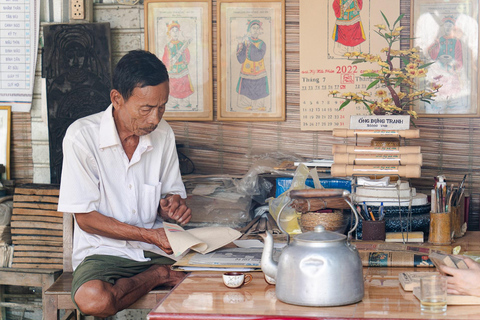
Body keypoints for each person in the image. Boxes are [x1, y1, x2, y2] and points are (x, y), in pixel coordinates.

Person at [57, 49, 192, 318]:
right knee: (93, 300)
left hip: (155, 250)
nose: (155, 119)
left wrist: (172, 206)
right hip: (103, 251)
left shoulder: (163, 134)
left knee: (216, 283)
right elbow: (85, 219)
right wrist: (149, 235)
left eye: (162, 107)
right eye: (146, 109)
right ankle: (158, 276)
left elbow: (171, 193)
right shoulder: (81, 138)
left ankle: (159, 271)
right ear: (117, 99)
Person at [236, 19, 269, 111]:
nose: (255, 30)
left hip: (259, 71)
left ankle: (259, 105)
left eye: (257, 28)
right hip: (246, 71)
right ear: (249, 30)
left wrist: (249, 44)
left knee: (259, 87)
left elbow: (258, 55)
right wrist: (240, 45)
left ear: (259, 31)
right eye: (253, 28)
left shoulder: (262, 43)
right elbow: (240, 59)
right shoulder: (244, 42)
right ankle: (245, 104)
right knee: (246, 87)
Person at [162, 21, 194, 110]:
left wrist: (184, 61)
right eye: (173, 31)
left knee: (184, 85)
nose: (175, 33)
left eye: (177, 31)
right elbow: (164, 59)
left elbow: (187, 56)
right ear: (169, 33)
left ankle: (185, 102)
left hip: (182, 69)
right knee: (173, 87)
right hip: (172, 70)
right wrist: (169, 64)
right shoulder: (167, 46)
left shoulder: (182, 45)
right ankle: (173, 103)